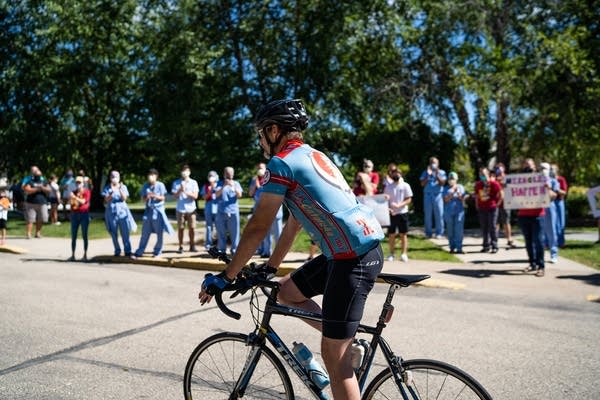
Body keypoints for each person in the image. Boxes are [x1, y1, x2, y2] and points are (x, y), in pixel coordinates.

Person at [199, 99, 384, 400]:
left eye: (260, 135)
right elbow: (294, 223)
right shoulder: (312, 155)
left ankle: (344, 346)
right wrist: (271, 267)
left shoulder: (281, 163)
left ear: (274, 131)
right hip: (352, 251)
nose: (260, 142)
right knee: (286, 292)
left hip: (351, 257)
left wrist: (228, 275)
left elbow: (258, 226)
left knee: (334, 358)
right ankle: (346, 340)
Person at [132, 169, 174, 258]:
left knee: (159, 233)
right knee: (145, 233)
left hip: (158, 211)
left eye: (153, 175)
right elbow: (142, 199)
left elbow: (163, 197)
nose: (151, 177)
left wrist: (155, 196)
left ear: (156, 176)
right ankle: (140, 251)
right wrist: (147, 197)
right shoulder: (145, 186)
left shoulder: (160, 185)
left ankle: (157, 251)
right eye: (149, 175)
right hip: (148, 212)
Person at [518, 158, 546, 277]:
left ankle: (541, 266)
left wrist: (547, 188)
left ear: (534, 167)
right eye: (525, 165)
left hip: (538, 214)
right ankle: (532, 263)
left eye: (530, 166)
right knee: (528, 241)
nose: (528, 168)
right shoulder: (518, 180)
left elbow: (551, 194)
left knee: (538, 241)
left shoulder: (541, 179)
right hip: (523, 214)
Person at [248, 162, 283, 258]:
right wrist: (255, 184)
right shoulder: (255, 180)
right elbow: (250, 193)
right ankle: (267, 252)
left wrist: (261, 183)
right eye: (258, 168)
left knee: (277, 233)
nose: (260, 170)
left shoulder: (272, 178)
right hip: (262, 210)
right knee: (265, 232)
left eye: (262, 168)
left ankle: (279, 254)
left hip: (275, 210)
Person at [102, 171, 137, 257]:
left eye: (116, 177)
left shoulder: (123, 187)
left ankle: (127, 250)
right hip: (111, 213)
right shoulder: (107, 188)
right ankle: (117, 250)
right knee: (113, 233)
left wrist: (119, 189)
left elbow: (124, 198)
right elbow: (106, 200)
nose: (114, 178)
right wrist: (112, 192)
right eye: (113, 177)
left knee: (125, 232)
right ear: (110, 178)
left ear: (119, 178)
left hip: (122, 213)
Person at [383, 167, 412, 262]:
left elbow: (409, 199)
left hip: (402, 213)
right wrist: (388, 208)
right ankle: (391, 254)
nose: (396, 174)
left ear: (401, 174)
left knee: (403, 234)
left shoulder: (405, 185)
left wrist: (399, 205)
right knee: (391, 234)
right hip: (391, 213)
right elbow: (385, 200)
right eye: (394, 173)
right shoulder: (388, 187)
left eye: (398, 173)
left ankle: (404, 254)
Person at [215, 166, 243, 255]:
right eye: (227, 173)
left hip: (233, 211)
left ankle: (234, 250)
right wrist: (224, 186)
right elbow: (216, 195)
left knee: (235, 233)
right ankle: (222, 250)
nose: (229, 175)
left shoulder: (236, 183)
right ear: (224, 174)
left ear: (233, 174)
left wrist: (233, 187)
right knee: (221, 232)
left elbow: (239, 195)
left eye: (230, 173)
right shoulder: (219, 183)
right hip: (221, 211)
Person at [172, 164, 199, 253]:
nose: (185, 172)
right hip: (180, 209)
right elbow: (174, 197)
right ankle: (181, 246)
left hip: (191, 209)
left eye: (186, 171)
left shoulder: (193, 182)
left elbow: (195, 196)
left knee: (192, 228)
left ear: (189, 172)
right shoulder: (176, 183)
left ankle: (192, 245)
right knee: (181, 228)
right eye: (183, 171)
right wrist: (180, 190)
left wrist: (186, 192)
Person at [474, 167, 501, 253]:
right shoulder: (478, 185)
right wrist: (477, 205)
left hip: (492, 208)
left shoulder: (494, 183)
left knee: (492, 226)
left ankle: (494, 245)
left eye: (484, 174)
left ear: (488, 174)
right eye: (481, 174)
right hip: (482, 208)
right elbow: (477, 196)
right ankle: (486, 245)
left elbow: (501, 194)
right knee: (484, 227)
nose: (482, 176)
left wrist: (498, 204)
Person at [419, 157, 446, 238]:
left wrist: (437, 174)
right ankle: (428, 233)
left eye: (434, 162)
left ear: (438, 164)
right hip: (427, 195)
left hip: (438, 195)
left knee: (439, 215)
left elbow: (442, 183)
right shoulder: (425, 172)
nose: (433, 164)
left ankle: (439, 233)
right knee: (427, 215)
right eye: (431, 162)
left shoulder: (441, 172)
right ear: (429, 164)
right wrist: (428, 174)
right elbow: (422, 184)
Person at [21, 166, 51, 239]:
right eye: (35, 171)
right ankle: (28, 234)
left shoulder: (44, 180)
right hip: (31, 203)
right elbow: (26, 189)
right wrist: (37, 189)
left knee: (41, 218)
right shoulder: (29, 180)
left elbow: (49, 189)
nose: (38, 173)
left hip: (42, 202)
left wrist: (42, 188)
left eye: (38, 171)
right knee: (30, 219)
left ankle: (38, 233)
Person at [493, 163, 516, 249]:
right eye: (497, 169)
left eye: (500, 169)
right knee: (496, 222)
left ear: (504, 169)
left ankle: (509, 239)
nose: (499, 170)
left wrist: (503, 181)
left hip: (506, 202)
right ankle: (494, 239)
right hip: (496, 203)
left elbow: (511, 188)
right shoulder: (494, 179)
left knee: (506, 222)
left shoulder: (507, 178)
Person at [540, 162, 560, 263]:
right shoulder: (536, 181)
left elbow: (554, 195)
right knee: (540, 232)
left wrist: (547, 187)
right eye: (541, 168)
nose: (542, 170)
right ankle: (541, 255)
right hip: (539, 208)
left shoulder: (553, 181)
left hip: (550, 207)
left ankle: (554, 254)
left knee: (551, 230)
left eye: (544, 168)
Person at [68, 175, 91, 261]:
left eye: (79, 182)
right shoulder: (73, 192)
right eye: (77, 182)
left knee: (84, 235)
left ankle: (85, 255)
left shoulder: (86, 192)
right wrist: (71, 198)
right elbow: (72, 203)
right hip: (74, 215)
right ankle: (73, 255)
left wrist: (75, 197)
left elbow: (83, 201)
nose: (78, 184)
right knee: (73, 236)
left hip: (84, 215)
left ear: (83, 183)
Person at [443, 172, 466, 254]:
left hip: (459, 212)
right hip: (449, 212)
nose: (451, 181)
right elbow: (445, 200)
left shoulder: (461, 187)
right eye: (450, 179)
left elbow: (463, 199)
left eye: (453, 179)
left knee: (459, 231)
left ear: (456, 180)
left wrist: (459, 193)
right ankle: (452, 247)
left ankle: (459, 248)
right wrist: (452, 193)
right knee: (450, 230)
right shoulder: (445, 188)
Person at [200, 170, 219, 250]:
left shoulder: (219, 185)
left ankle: (219, 244)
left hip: (218, 207)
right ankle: (208, 244)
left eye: (213, 176)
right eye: (210, 176)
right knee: (208, 226)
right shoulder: (206, 186)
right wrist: (210, 190)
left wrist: (215, 188)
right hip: (209, 207)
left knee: (219, 227)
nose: (211, 177)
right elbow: (204, 197)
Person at [551, 163, 568, 247]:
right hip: (550, 202)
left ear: (557, 170)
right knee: (551, 223)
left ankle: (561, 242)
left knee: (560, 222)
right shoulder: (548, 179)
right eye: (551, 169)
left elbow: (564, 192)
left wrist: (557, 189)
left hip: (559, 202)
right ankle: (551, 242)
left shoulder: (561, 179)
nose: (552, 170)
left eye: (553, 169)